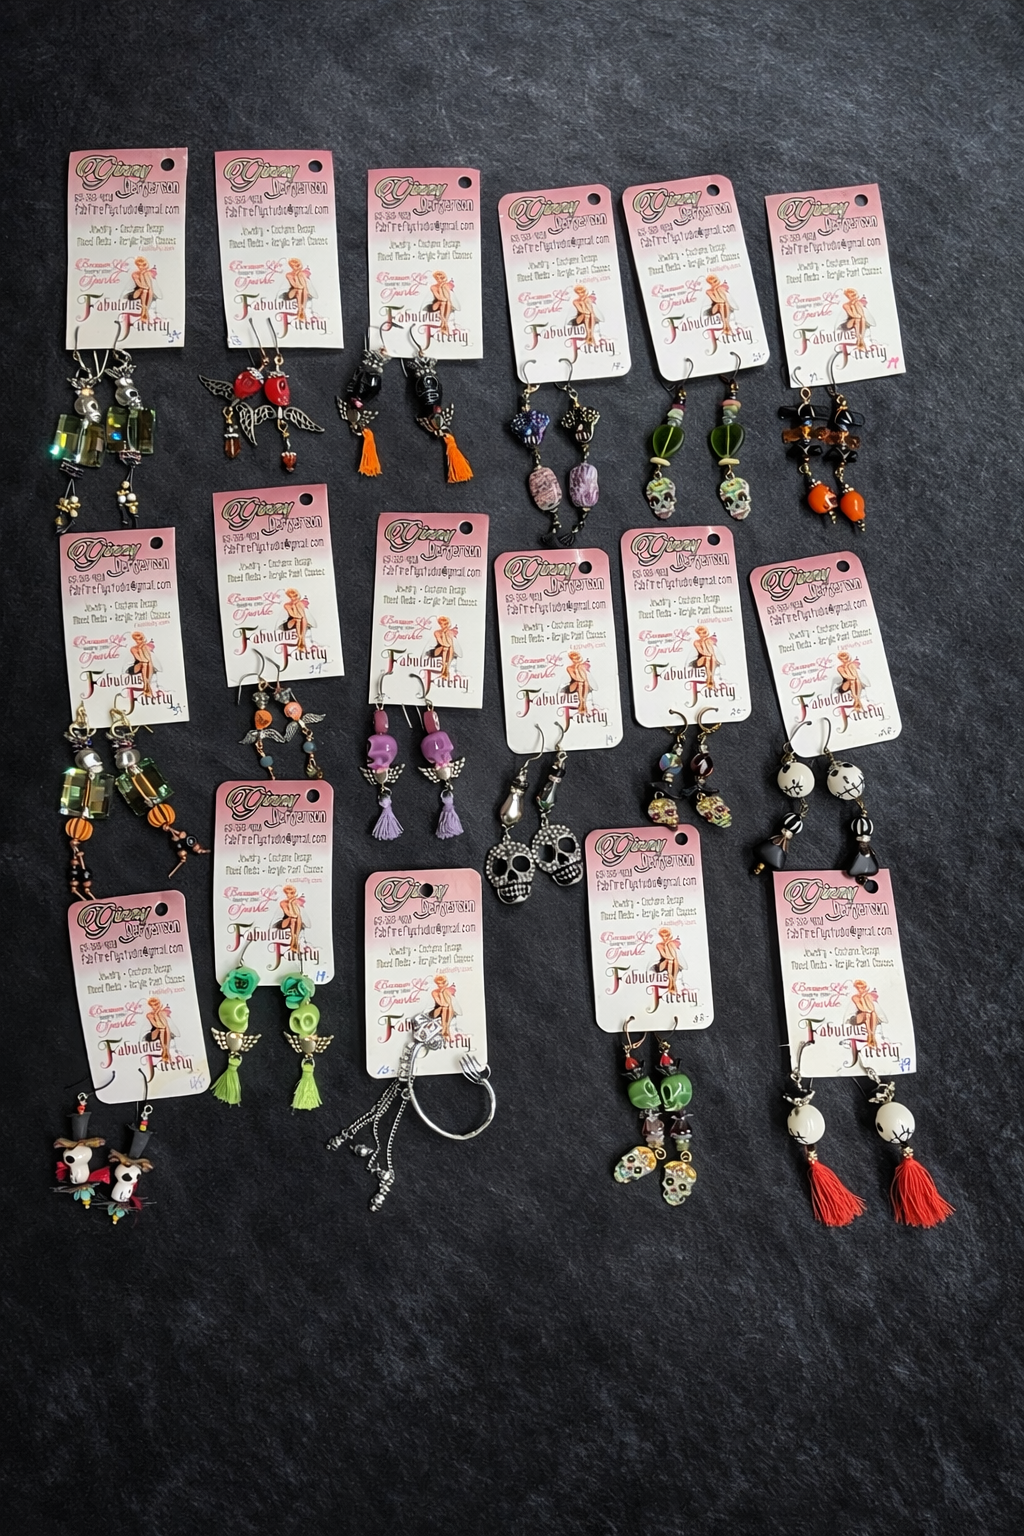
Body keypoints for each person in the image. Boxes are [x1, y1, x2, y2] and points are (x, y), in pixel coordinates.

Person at [852, 979, 880, 1049]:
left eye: (862, 988)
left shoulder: (867, 996)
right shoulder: (855, 997)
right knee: (867, 1014)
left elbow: (872, 1008)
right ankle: (870, 1035)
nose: (860, 989)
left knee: (872, 1013)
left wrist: (864, 998)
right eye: (858, 988)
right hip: (858, 1017)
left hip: (868, 1014)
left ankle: (872, 1035)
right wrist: (861, 998)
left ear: (865, 988)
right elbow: (862, 1009)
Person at [278, 885, 304, 955]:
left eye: (291, 893)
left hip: (294, 921)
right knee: (293, 919)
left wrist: (292, 903)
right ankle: (293, 940)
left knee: (296, 918)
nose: (289, 895)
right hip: (284, 922)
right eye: (287, 893)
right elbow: (290, 914)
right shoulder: (283, 903)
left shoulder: (295, 902)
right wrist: (290, 903)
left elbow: (297, 914)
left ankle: (295, 939)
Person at [655, 929, 682, 997]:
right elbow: (666, 956)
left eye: (666, 936)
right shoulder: (659, 945)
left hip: (671, 963)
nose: (665, 938)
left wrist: (668, 944)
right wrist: (666, 945)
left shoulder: (671, 944)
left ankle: (673, 981)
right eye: (663, 936)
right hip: (662, 964)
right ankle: (672, 983)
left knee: (674, 960)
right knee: (669, 960)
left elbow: (674, 956)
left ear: (669, 936)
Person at [146, 997, 173, 1064]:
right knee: (162, 1028)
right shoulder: (149, 1015)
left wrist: (158, 1014)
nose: (157, 1006)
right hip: (153, 1034)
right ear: (151, 1006)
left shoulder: (162, 1013)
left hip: (163, 1032)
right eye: (154, 1005)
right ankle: (165, 1050)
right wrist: (156, 1014)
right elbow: (158, 1026)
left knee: (165, 1028)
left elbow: (165, 1025)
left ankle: (166, 1050)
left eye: (157, 1004)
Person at [565, 652, 591, 718]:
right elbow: (577, 679)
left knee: (585, 682)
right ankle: (581, 702)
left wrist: (579, 668)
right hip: (572, 686)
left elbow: (584, 679)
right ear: (572, 660)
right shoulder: (569, 668)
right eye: (575, 659)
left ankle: (583, 702)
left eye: (578, 658)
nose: (577, 660)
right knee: (579, 682)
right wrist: (576, 669)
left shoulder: (581, 666)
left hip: (581, 685)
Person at [283, 589, 309, 653]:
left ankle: (301, 639)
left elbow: (303, 616)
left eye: (295, 596)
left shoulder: (299, 603)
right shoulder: (287, 605)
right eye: (291, 597)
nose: (293, 598)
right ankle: (301, 640)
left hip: (300, 621)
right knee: (298, 619)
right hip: (290, 622)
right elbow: (293, 615)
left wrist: (297, 605)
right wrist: (294, 606)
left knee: (300, 619)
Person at [692, 626, 719, 690]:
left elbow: (712, 653)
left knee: (711, 658)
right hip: (699, 661)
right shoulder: (696, 642)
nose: (702, 635)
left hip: (708, 659)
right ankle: (710, 678)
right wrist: (703, 643)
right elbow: (703, 652)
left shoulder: (708, 641)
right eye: (700, 633)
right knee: (707, 657)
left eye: (704, 632)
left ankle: (711, 677)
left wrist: (706, 642)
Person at [431, 616, 457, 681]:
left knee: (448, 648)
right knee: (445, 647)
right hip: (437, 650)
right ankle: (445, 667)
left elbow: (450, 645)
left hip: (446, 650)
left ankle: (446, 667)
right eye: (442, 624)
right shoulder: (437, 632)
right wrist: (443, 633)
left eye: (446, 624)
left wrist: (446, 633)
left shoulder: (449, 632)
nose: (444, 625)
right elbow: (443, 643)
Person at [429, 271, 455, 336]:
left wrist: (443, 287)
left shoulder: (446, 286)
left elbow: (448, 298)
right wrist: (440, 288)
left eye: (442, 278)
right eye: (438, 278)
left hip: (445, 303)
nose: (440, 280)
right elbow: (440, 298)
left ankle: (444, 324)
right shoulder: (433, 287)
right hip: (435, 305)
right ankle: (445, 323)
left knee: (447, 302)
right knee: (443, 302)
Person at [130, 257, 156, 323]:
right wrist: (141, 275)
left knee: (146, 290)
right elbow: (141, 285)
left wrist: (143, 274)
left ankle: (145, 309)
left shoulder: (147, 273)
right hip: (136, 293)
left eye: (143, 265)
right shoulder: (135, 274)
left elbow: (149, 288)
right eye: (139, 265)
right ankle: (144, 309)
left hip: (145, 292)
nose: (141, 267)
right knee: (144, 289)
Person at [130, 632, 155, 698]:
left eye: (142, 639)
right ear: (135, 640)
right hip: (134, 667)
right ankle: (146, 686)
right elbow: (141, 659)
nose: (140, 641)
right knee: (144, 663)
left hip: (144, 666)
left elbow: (148, 659)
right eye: (139, 639)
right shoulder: (133, 649)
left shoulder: (145, 647)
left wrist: (142, 649)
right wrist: (140, 649)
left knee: (148, 663)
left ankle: (147, 685)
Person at [431, 975, 456, 1042]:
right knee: (444, 1007)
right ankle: (445, 1028)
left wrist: (443, 992)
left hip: (446, 1011)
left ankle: (446, 1027)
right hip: (436, 1011)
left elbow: (449, 1004)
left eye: (442, 983)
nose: (440, 985)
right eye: (438, 983)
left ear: (445, 983)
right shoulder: (434, 992)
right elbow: (441, 1004)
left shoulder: (447, 991)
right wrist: (441, 993)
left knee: (448, 1007)